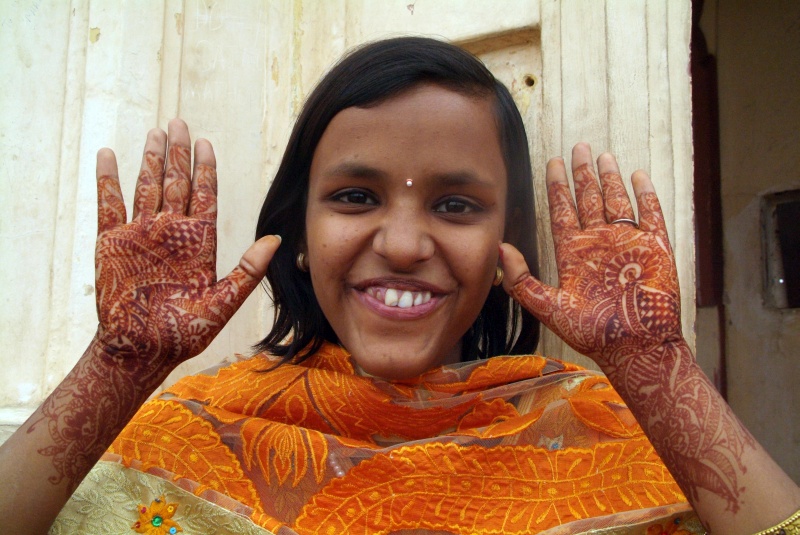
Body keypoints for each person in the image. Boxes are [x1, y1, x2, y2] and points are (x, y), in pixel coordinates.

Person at [1, 37, 798, 535]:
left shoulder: (603, 428)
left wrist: (656, 366)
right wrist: (115, 366)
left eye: (456, 205)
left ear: (502, 248)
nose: (407, 243)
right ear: (301, 236)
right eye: (355, 196)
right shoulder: (192, 429)